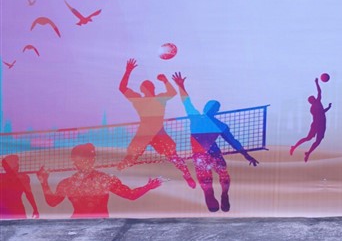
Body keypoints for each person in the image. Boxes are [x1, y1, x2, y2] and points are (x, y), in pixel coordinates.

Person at [171, 72, 259, 212]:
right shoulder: (217, 124)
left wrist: (181, 86)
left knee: (212, 179)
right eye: (213, 107)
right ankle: (221, 194)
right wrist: (246, 155)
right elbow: (233, 142)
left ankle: (220, 194)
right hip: (211, 154)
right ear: (216, 111)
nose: (212, 109)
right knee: (221, 175)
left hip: (201, 156)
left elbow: (186, 102)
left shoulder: (197, 118)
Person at [118, 58, 196, 188]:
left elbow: (172, 92)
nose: (148, 89)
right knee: (132, 156)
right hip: (149, 132)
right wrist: (128, 71)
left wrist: (128, 71)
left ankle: (187, 175)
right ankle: (119, 172)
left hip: (153, 132)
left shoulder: (152, 99)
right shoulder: (146, 99)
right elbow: (122, 88)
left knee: (172, 156)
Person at [35, 143, 162, 218]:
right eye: (78, 160)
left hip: (99, 226)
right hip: (80, 226)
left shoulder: (104, 180)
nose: (79, 163)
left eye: (82, 160)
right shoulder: (70, 183)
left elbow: (130, 195)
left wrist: (148, 187)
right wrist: (43, 181)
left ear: (92, 160)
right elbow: (53, 202)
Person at [290, 78, 332, 162]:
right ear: (312, 101)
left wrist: (328, 107)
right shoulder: (315, 105)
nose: (315, 97)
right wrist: (316, 83)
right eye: (313, 98)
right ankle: (296, 148)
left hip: (320, 124)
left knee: (315, 140)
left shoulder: (316, 104)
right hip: (318, 124)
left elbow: (322, 112)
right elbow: (319, 92)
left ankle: (307, 153)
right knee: (310, 138)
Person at [0, 155, 39, 219]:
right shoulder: (1, 178)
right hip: (4, 211)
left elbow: (29, 194)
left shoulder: (24, 178)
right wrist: (35, 209)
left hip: (17, 210)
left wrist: (35, 209)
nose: (18, 165)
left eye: (17, 163)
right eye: (15, 163)